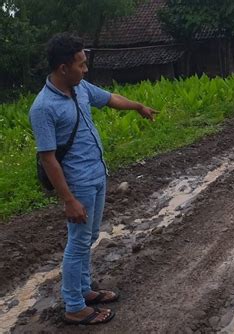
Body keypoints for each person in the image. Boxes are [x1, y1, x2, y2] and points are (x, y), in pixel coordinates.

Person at [29, 33, 157, 325]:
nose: (85, 70)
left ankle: (85, 290)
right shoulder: (43, 107)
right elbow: (47, 159)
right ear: (64, 68)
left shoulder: (81, 88)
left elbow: (110, 99)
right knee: (77, 243)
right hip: (78, 184)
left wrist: (138, 106)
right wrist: (69, 200)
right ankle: (74, 306)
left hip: (97, 175)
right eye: (81, 64)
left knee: (88, 238)